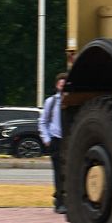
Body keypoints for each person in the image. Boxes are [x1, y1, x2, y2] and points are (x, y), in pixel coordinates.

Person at [40, 73, 67, 214]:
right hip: (55, 139)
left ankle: (60, 196)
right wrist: (47, 139)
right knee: (58, 171)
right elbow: (43, 121)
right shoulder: (51, 101)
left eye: (65, 84)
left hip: (68, 140)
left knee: (67, 171)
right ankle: (60, 202)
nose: (62, 87)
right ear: (57, 85)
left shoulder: (72, 101)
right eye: (60, 84)